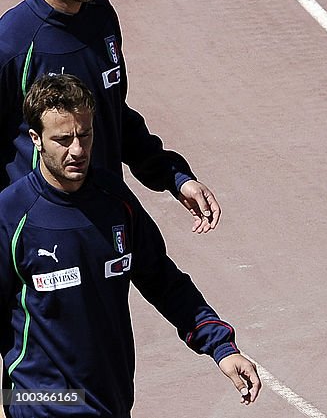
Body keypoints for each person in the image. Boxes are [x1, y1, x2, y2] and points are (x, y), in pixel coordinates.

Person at [0, 74, 260, 416]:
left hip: (112, 401)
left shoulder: (115, 201)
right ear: (36, 139)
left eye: (85, 135)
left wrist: (221, 348)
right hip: (43, 405)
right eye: (63, 140)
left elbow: (163, 280)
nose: (77, 150)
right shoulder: (11, 215)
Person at [0, 0, 219, 233]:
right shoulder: (13, 44)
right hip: (39, 232)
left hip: (105, 214)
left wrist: (175, 177)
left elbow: (114, 114)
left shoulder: (101, 18)